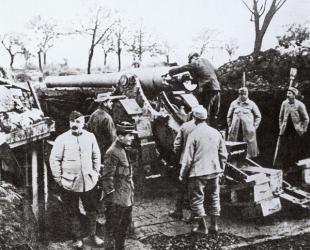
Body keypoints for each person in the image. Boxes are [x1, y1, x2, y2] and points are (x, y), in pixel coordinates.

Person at [49, 110, 103, 249]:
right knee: (72, 211)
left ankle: (93, 235)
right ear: (69, 123)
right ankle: (77, 238)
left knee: (92, 209)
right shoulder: (62, 139)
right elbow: (54, 159)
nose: (74, 124)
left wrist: (96, 173)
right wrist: (58, 179)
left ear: (83, 123)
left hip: (89, 182)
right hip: (69, 183)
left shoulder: (90, 137)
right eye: (72, 121)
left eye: (78, 121)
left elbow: (96, 155)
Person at [180, 106, 227, 234]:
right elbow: (224, 154)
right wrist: (221, 170)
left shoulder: (193, 134)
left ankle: (202, 227)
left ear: (194, 118)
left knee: (196, 199)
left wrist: (182, 174)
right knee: (214, 198)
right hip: (214, 171)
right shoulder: (216, 132)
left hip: (198, 173)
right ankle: (214, 226)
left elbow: (188, 159)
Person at [101, 121, 137, 250]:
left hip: (126, 196)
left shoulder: (123, 149)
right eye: (129, 135)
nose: (132, 138)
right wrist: (111, 197)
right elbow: (107, 177)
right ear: (120, 136)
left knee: (123, 227)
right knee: (112, 229)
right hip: (117, 199)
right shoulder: (113, 152)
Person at [168, 52, 221, 127]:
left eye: (190, 61)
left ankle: (203, 129)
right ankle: (214, 129)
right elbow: (211, 73)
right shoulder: (206, 61)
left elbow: (183, 68)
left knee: (205, 111)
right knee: (215, 112)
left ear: (193, 58)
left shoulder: (195, 62)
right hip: (217, 88)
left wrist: (170, 71)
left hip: (208, 90)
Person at [169, 106, 199, 219]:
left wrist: (177, 156)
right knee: (195, 188)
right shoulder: (206, 128)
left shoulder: (185, 126)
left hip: (184, 161)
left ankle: (178, 211)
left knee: (181, 186)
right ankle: (193, 214)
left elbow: (177, 145)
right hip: (198, 162)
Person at [274, 87, 309, 169]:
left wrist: (303, 129)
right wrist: (281, 127)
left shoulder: (300, 105)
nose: (287, 95)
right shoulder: (284, 103)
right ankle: (286, 165)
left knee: (295, 147)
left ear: (294, 95)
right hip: (286, 130)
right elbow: (280, 117)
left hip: (296, 131)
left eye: (290, 93)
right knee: (286, 148)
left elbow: (306, 119)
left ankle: (295, 165)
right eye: (287, 93)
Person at [227, 87, 262, 158]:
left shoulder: (251, 104)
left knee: (248, 148)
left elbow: (258, 116)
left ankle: (248, 159)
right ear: (239, 94)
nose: (243, 96)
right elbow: (228, 116)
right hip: (235, 130)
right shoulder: (234, 103)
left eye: (245, 94)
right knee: (234, 147)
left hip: (248, 130)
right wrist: (230, 126)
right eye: (241, 94)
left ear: (247, 94)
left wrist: (254, 127)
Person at [86, 93, 116, 159]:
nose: (112, 103)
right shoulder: (107, 118)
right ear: (105, 103)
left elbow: (88, 129)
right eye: (110, 101)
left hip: (94, 149)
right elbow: (112, 138)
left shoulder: (94, 114)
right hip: (104, 151)